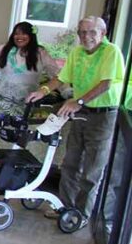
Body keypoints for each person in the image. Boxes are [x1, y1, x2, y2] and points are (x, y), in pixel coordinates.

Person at [28, 15, 127, 224]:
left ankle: (81, 214)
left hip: (103, 115)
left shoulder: (111, 52)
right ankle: (65, 207)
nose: (86, 36)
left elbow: (105, 84)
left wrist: (78, 102)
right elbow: (62, 78)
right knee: (71, 162)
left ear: (103, 33)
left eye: (92, 32)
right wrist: (43, 90)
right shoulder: (77, 52)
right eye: (82, 32)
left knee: (93, 168)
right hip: (82, 112)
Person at [0, 22, 57, 154]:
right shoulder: (6, 49)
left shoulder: (40, 53)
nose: (19, 36)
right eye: (16, 33)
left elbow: (56, 73)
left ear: (31, 35)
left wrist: (49, 90)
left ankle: (1, 161)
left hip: (22, 102)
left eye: (24, 33)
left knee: (11, 132)